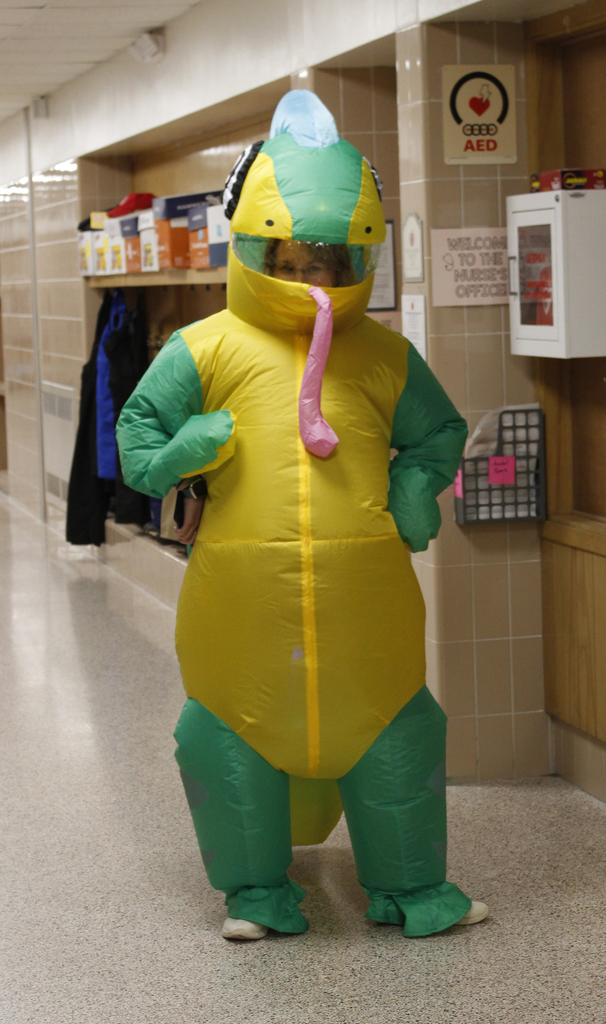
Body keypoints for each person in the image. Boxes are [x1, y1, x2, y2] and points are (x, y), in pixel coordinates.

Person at [116, 90, 488, 941]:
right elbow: (136, 438)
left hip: (368, 615)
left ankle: (413, 886)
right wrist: (184, 453)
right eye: (289, 259)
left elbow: (439, 430)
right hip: (240, 614)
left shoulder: (385, 354)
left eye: (328, 261)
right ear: (255, 248)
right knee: (225, 736)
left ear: (359, 257)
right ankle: (254, 890)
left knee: (396, 731)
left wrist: (412, 487)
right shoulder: (203, 348)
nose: (309, 279)